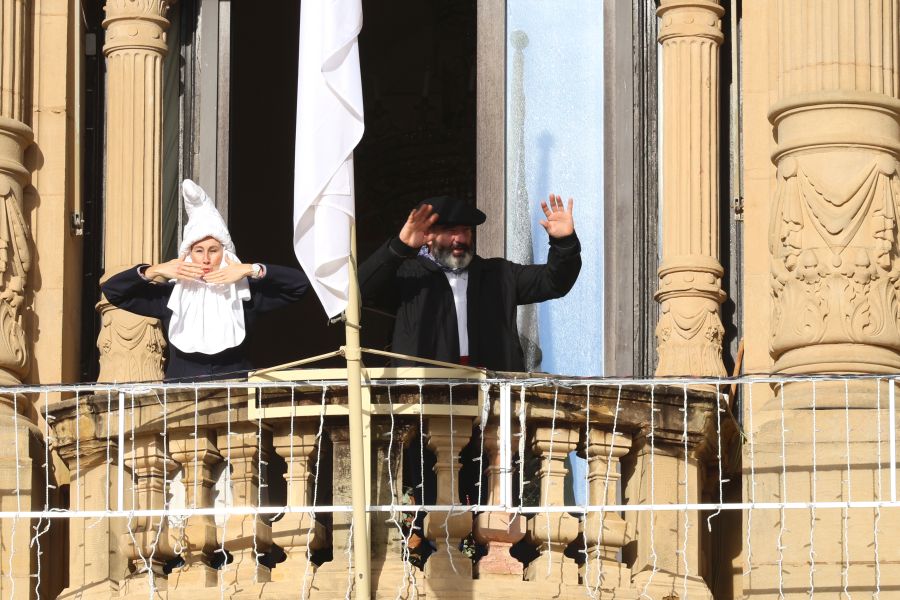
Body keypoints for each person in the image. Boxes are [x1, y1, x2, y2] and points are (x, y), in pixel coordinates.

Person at [102, 179, 310, 380]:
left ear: (225, 253)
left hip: (235, 403)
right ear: (189, 254)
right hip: (182, 405)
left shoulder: (244, 295)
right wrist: (155, 270)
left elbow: (299, 286)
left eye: (213, 250)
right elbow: (114, 291)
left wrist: (250, 269)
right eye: (199, 251)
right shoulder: (171, 298)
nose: (206, 258)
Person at [359, 193, 581, 371]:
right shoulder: (408, 275)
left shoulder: (499, 273)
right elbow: (359, 291)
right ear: (427, 235)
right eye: (450, 231)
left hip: (494, 399)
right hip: (428, 401)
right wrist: (398, 248)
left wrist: (564, 243)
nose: (460, 239)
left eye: (465, 231)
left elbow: (555, 282)